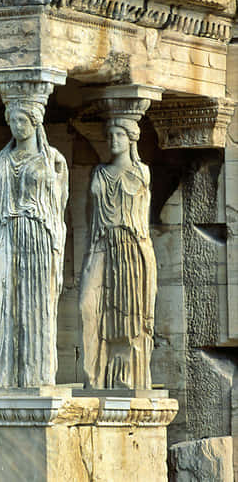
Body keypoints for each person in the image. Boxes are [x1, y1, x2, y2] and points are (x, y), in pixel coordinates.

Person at [0, 101, 68, 387]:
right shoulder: (0, 161)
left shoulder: (53, 160)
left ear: (35, 123)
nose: (17, 127)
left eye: (22, 121)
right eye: (13, 121)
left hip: (38, 235)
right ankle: (0, 374)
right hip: (5, 230)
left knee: (36, 307)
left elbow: (59, 207)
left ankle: (36, 377)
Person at [80, 118, 156, 389]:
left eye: (119, 135)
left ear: (131, 138)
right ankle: (95, 375)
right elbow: (89, 218)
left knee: (129, 316)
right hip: (101, 245)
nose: (113, 140)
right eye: (109, 134)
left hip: (131, 248)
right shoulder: (98, 173)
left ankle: (125, 378)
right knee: (87, 307)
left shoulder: (141, 172)